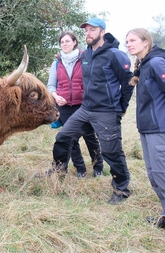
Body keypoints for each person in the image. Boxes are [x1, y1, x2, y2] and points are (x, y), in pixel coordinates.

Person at [47, 18, 134, 205]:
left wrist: (121, 108)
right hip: (85, 109)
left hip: (106, 111)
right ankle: (58, 170)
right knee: (63, 137)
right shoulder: (85, 55)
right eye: (86, 30)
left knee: (112, 151)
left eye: (92, 30)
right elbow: (66, 60)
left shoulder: (114, 55)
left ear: (102, 32)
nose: (88, 33)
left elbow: (128, 82)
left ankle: (121, 189)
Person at [47, 31, 103, 178]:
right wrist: (56, 96)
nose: (64, 44)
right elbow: (51, 85)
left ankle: (98, 168)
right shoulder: (57, 63)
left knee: (90, 137)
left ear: (75, 43)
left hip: (84, 105)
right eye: (62, 42)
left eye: (67, 41)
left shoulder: (84, 59)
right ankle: (81, 169)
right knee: (71, 139)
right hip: (64, 107)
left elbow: (92, 81)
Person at [126, 28, 165, 229]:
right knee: (153, 173)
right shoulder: (143, 65)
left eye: (133, 40)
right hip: (147, 128)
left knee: (161, 172)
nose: (128, 44)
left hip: (160, 128)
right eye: (127, 41)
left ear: (145, 42)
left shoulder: (157, 63)